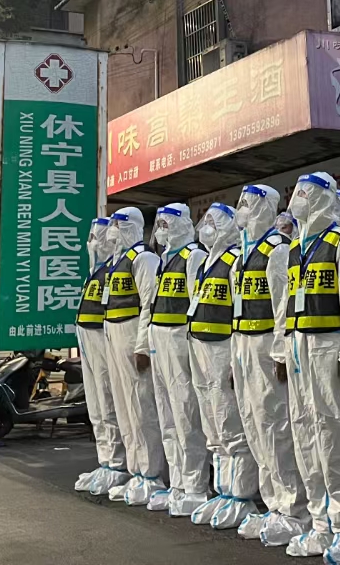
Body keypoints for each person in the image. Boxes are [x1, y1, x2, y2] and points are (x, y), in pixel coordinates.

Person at [281, 173, 340, 561]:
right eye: (297, 192)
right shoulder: (296, 246)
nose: (298, 198)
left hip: (327, 344)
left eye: (305, 193)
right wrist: (283, 348)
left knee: (334, 435)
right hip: (299, 345)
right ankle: (320, 522)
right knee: (304, 432)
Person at [230, 183, 309, 546]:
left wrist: (279, 351)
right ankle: (273, 502)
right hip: (244, 343)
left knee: (276, 425)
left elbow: (283, 305)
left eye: (248, 204)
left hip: (265, 344)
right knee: (254, 424)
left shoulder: (278, 249)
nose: (242, 209)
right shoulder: (245, 253)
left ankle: (293, 507)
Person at [188, 202, 261, 529]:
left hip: (222, 348)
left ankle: (241, 494)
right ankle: (224, 489)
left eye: (214, 223)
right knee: (212, 425)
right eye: (205, 222)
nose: (207, 228)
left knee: (230, 421)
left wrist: (235, 360)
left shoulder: (233, 260)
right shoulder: (206, 263)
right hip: (200, 346)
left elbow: (239, 311)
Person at [140, 203, 212, 515]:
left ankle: (195, 485)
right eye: (159, 224)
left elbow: (197, 302)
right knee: (167, 415)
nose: (161, 230)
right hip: (160, 339)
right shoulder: (165, 259)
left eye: (166, 224)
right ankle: (178, 483)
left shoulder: (193, 255)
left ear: (182, 224)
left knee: (186, 414)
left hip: (179, 338)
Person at [102, 206, 168, 505]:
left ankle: (151, 473)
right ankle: (136, 470)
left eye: (118, 224)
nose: (112, 230)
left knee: (141, 406)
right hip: (114, 332)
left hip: (131, 333)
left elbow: (149, 304)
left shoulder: (144, 258)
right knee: (124, 406)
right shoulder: (117, 261)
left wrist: (142, 346)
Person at [75, 217, 129, 496]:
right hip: (87, 340)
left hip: (103, 339)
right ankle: (105, 461)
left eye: (96, 237)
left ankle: (118, 463)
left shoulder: (112, 270)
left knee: (109, 403)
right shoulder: (94, 272)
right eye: (91, 237)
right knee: (96, 406)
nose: (91, 243)